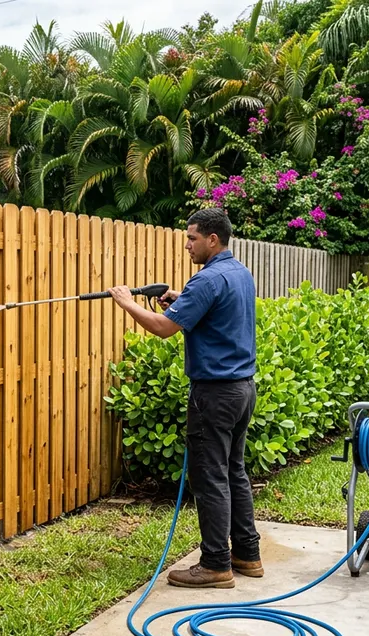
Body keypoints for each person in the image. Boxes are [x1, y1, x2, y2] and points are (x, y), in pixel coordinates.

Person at [107, 207, 262, 589]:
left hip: (214, 394)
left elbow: (163, 329)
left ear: (213, 239)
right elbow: (213, 311)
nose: (187, 244)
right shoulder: (239, 273)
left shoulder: (206, 280)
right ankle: (247, 555)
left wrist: (127, 302)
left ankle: (215, 565)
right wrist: (181, 299)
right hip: (243, 390)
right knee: (233, 472)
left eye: (193, 238)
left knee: (209, 477)